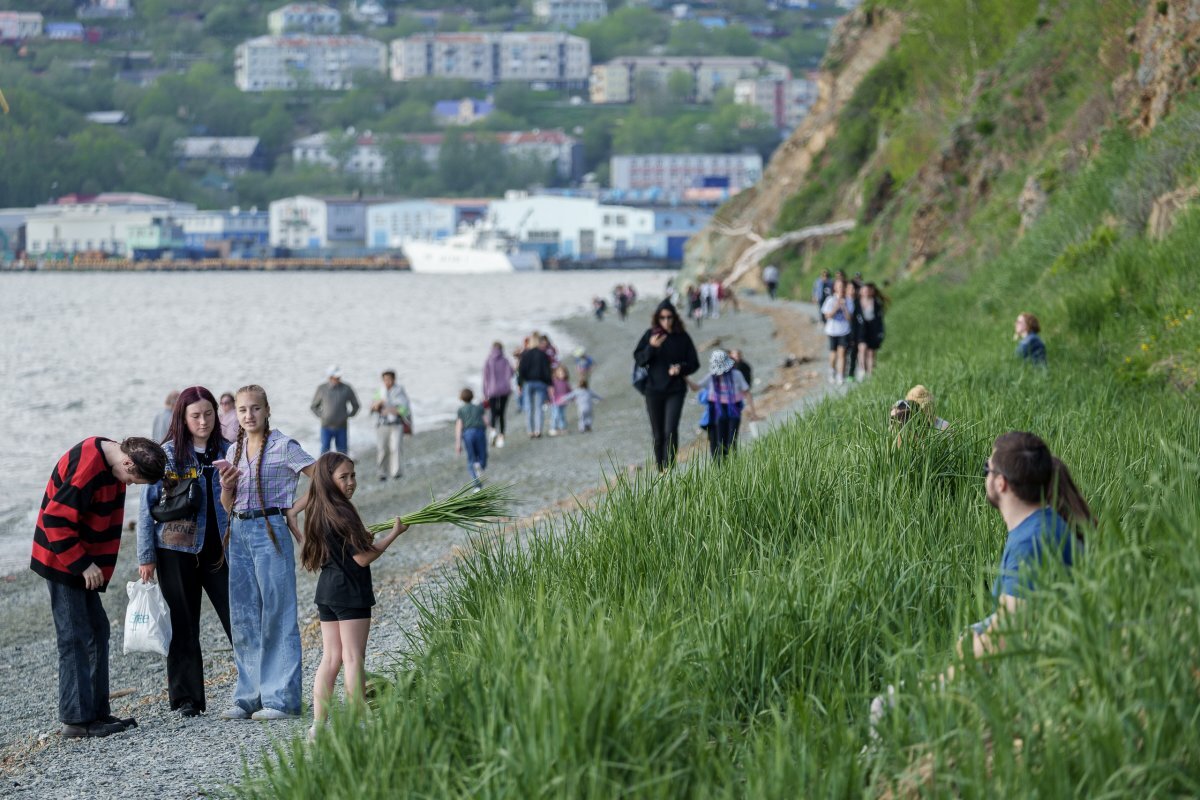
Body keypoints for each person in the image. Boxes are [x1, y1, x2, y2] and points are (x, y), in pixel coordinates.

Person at [870, 432, 1094, 734]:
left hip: (1042, 673)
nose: (985, 477)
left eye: (986, 470)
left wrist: (939, 683)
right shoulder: (1046, 523)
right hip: (1052, 657)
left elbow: (1009, 633)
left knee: (887, 706)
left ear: (1000, 483)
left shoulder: (1030, 543)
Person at [32, 436, 167, 738]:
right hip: (61, 559)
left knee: (97, 630)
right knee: (74, 635)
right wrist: (82, 564)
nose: (130, 484)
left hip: (82, 562)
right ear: (128, 462)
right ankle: (76, 721)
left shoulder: (116, 457)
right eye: (133, 479)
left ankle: (96, 712)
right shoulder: (89, 467)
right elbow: (54, 519)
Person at [218, 384, 316, 721]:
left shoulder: (284, 445)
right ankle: (249, 696)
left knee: (277, 613)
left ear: (267, 409)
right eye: (243, 410)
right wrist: (227, 487)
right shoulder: (232, 451)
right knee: (244, 616)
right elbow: (227, 505)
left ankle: (282, 700)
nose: (249, 415)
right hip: (239, 531)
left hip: (270, 530)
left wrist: (295, 508)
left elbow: (322, 478)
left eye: (255, 408)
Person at [136, 387, 232, 718]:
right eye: (195, 415)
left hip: (220, 549)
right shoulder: (168, 455)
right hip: (174, 550)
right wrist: (145, 556)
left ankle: (258, 683)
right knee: (182, 623)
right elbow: (145, 507)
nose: (203, 421)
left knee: (238, 615)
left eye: (208, 414)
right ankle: (186, 699)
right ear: (183, 418)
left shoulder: (228, 450)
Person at [299, 453, 408, 742]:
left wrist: (363, 538)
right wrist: (394, 534)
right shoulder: (344, 510)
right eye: (343, 477)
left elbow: (344, 548)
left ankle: (318, 727)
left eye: (353, 476)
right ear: (329, 480)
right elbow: (361, 559)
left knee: (331, 658)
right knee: (353, 657)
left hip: (327, 591)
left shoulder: (319, 510)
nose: (351, 483)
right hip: (349, 592)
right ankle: (360, 721)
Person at [633, 300, 700, 471]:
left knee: (670, 430)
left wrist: (680, 368)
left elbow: (694, 363)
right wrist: (652, 347)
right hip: (653, 390)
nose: (666, 321)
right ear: (657, 318)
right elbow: (640, 360)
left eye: (669, 317)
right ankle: (660, 469)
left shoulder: (682, 337)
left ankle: (670, 467)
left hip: (675, 390)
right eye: (662, 318)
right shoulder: (650, 335)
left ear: (675, 318)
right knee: (658, 434)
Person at [688, 350, 758, 462]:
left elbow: (747, 393)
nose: (720, 373)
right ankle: (720, 467)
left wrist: (753, 413)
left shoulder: (736, 375)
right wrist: (685, 378)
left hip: (733, 410)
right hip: (716, 411)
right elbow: (695, 387)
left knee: (731, 441)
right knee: (719, 442)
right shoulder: (711, 377)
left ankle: (733, 466)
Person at [370, 370, 410, 482]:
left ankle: (396, 472)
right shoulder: (379, 391)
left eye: (389, 379)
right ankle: (382, 472)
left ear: (394, 379)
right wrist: (378, 404)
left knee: (396, 448)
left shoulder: (399, 391)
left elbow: (404, 408)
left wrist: (391, 410)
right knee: (382, 449)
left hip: (396, 424)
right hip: (382, 424)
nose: (387, 382)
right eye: (385, 379)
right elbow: (373, 406)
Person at [311, 366, 360, 454]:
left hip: (342, 426)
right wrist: (322, 416)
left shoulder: (347, 388)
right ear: (329, 377)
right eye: (335, 377)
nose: (338, 379)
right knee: (324, 452)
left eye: (339, 377)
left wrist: (348, 415)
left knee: (342, 453)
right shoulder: (321, 388)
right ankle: (323, 468)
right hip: (326, 426)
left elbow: (356, 405)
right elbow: (314, 406)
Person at [518, 336, 553, 439]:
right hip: (540, 383)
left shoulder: (525, 355)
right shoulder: (543, 354)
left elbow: (521, 371)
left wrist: (520, 384)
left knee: (529, 408)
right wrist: (550, 384)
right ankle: (538, 431)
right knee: (539, 408)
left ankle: (530, 431)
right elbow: (547, 371)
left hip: (528, 383)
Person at [820, 278, 854, 385]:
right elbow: (827, 316)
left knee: (842, 353)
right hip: (832, 331)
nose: (841, 289)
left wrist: (843, 306)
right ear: (835, 287)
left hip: (844, 331)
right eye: (839, 286)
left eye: (843, 287)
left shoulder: (848, 301)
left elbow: (849, 318)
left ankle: (840, 375)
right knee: (833, 354)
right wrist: (836, 306)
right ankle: (831, 372)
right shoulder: (830, 300)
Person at [482, 342, 514, 449]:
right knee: (502, 413)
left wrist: (485, 392)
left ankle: (492, 432)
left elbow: (485, 379)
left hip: (492, 390)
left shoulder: (488, 361)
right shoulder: (505, 360)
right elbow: (511, 373)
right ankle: (501, 436)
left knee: (493, 412)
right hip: (504, 390)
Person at [454, 388, 488, 488]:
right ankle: (480, 465)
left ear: (461, 398)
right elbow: (486, 421)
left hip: (468, 434)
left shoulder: (461, 410)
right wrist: (492, 429)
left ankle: (476, 485)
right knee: (482, 455)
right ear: (472, 396)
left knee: (471, 459)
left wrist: (458, 443)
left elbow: (459, 426)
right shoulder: (478, 408)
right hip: (480, 432)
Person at [854, 283, 886, 378]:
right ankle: (861, 369)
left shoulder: (875, 302)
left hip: (873, 328)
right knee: (862, 349)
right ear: (860, 292)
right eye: (863, 290)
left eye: (867, 290)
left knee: (871, 352)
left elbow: (879, 318)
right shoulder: (857, 302)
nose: (865, 292)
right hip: (861, 329)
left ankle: (870, 373)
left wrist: (880, 331)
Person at [548, 364, 573, 437]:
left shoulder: (565, 382)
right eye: (560, 373)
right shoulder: (554, 382)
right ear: (556, 373)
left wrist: (573, 397)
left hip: (563, 402)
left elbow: (570, 391)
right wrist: (549, 398)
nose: (562, 374)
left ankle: (563, 428)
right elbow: (550, 390)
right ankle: (553, 428)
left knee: (562, 415)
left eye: (564, 373)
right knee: (555, 415)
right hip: (555, 401)